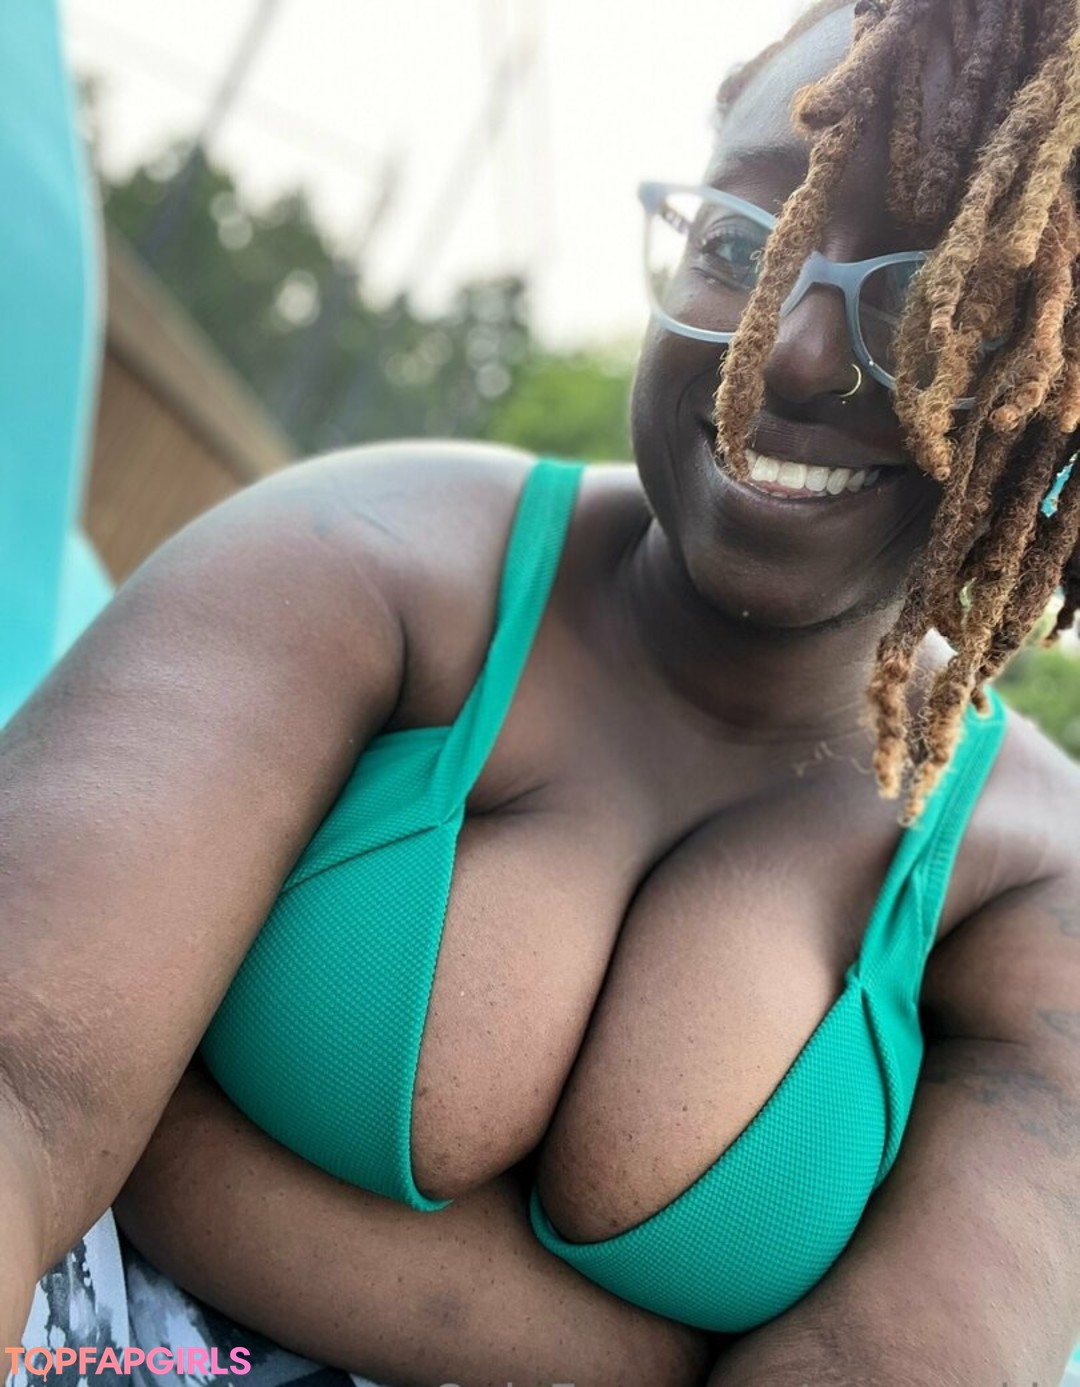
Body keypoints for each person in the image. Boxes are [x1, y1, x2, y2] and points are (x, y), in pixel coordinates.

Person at [4, 1, 1080, 1384]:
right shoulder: (363, 562)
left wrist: (188, 1158)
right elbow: (24, 1088)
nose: (797, 352)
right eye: (742, 246)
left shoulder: (1032, 877)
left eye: (936, 308)